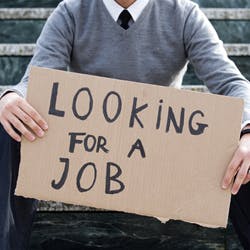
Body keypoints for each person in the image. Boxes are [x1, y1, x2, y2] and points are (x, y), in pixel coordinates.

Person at [0, 0, 250, 249]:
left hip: (162, 154)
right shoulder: (71, 11)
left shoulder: (184, 13)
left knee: (245, 147)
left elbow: (231, 83)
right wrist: (10, 97)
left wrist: (247, 130)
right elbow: (36, 80)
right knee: (11, 123)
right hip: (90, 151)